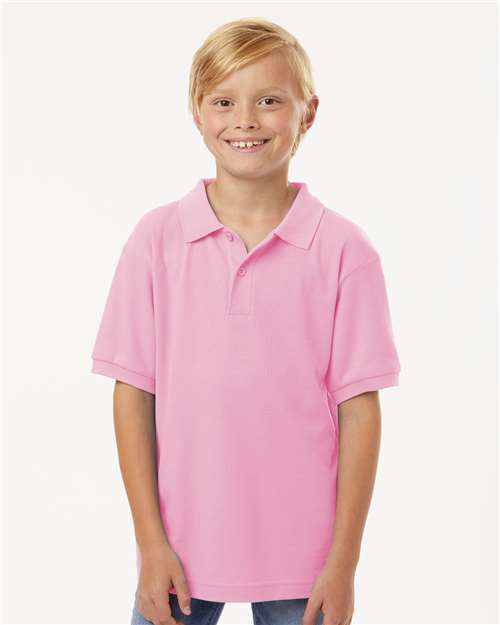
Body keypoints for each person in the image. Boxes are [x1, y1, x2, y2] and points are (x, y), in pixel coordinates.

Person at [91, 17, 401, 625]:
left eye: (269, 101)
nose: (246, 120)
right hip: (178, 549)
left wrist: (343, 563)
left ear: (308, 113)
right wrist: (150, 545)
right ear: (197, 113)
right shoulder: (156, 240)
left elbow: (360, 411)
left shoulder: (345, 250)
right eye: (224, 102)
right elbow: (133, 394)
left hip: (306, 560)